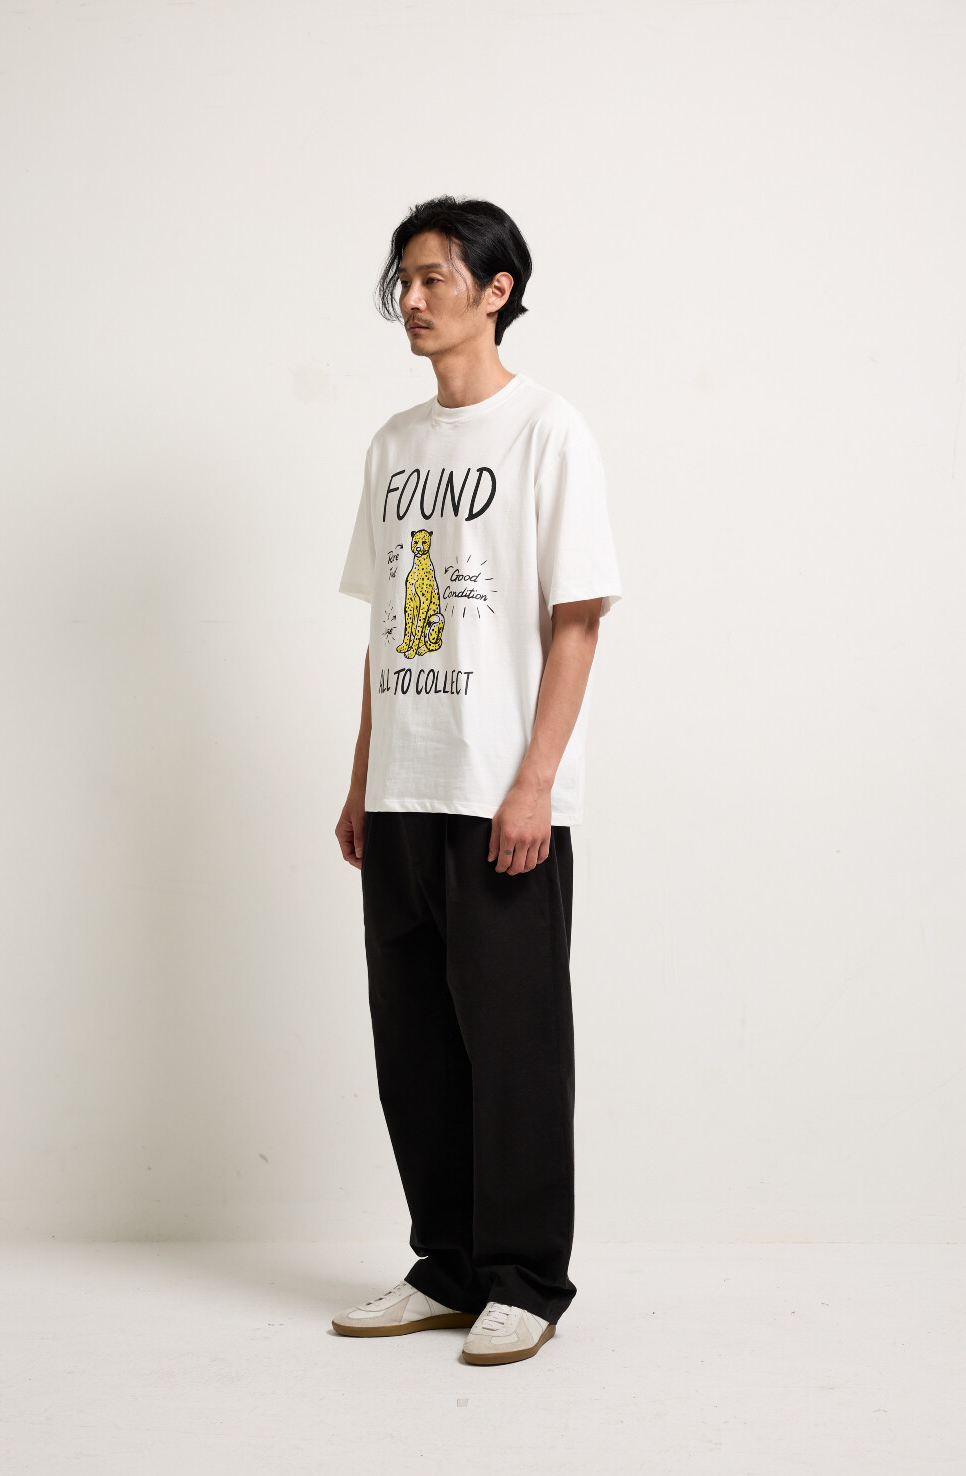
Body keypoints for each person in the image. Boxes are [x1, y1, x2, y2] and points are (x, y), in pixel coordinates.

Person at [332, 195, 619, 1362]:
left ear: (496, 291)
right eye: (402, 280)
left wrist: (535, 782)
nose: (411, 299)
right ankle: (445, 1265)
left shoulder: (548, 430)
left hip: (501, 791)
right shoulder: (394, 445)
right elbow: (380, 636)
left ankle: (524, 1280)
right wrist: (361, 777)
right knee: (413, 1043)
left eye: (434, 278)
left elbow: (577, 617)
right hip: (403, 790)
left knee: (513, 1045)